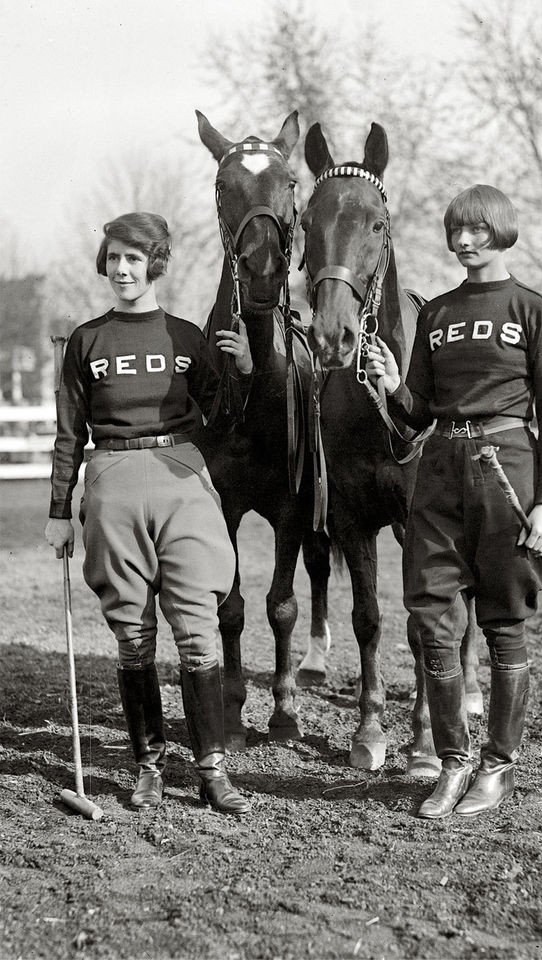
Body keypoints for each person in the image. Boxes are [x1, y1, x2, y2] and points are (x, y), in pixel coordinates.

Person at [367, 184, 542, 818]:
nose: (463, 240)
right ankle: (452, 762)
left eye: (476, 230)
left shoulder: (532, 309)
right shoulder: (437, 314)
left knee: (504, 623)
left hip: (506, 466)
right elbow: (418, 411)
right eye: (456, 230)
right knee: (432, 615)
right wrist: (394, 385)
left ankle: (497, 765)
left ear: (500, 232)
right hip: (439, 471)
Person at [45, 212, 253, 815]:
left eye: (134, 259)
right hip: (110, 480)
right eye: (113, 259)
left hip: (181, 477)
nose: (122, 269)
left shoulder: (187, 338)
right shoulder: (87, 340)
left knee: (198, 625)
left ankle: (212, 770)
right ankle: (148, 766)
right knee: (133, 633)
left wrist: (240, 369)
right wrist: (61, 510)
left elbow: (226, 418)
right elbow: (68, 435)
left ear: (155, 263)